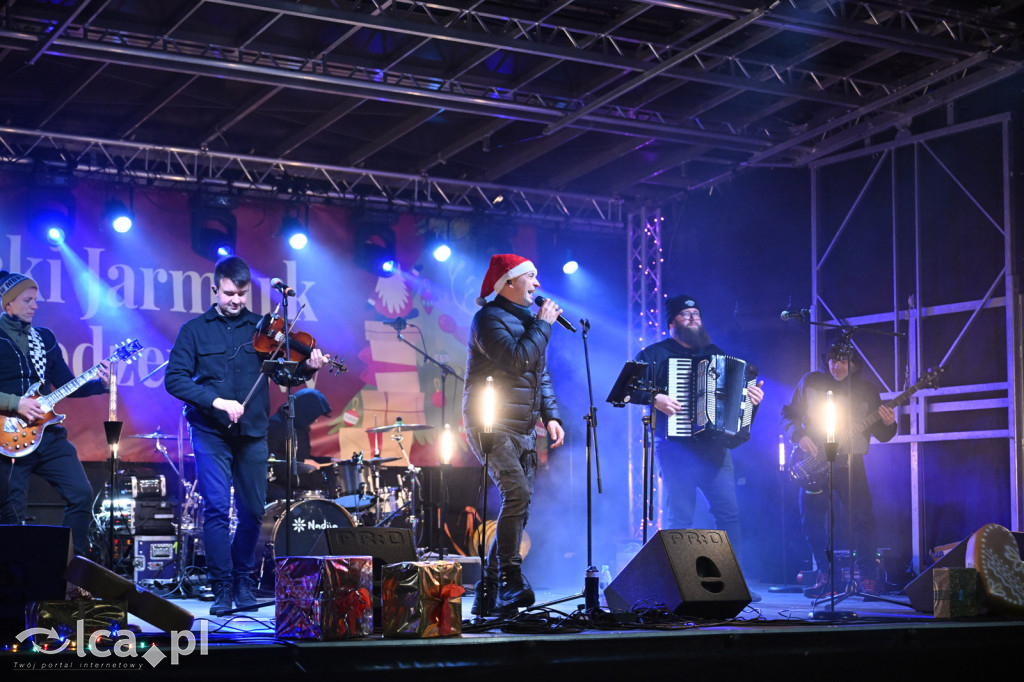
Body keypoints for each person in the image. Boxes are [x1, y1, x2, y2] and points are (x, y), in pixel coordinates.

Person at [165, 257, 328, 615]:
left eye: (241, 294)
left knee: (253, 511)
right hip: (210, 431)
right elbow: (174, 379)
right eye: (229, 294)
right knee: (217, 510)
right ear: (214, 290)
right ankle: (222, 587)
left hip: (253, 431)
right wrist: (217, 400)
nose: (236, 300)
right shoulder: (194, 331)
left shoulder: (262, 328)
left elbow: (284, 378)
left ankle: (243, 581)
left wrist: (306, 370)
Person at [631, 294, 764, 587]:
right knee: (680, 516)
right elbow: (625, 389)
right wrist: (655, 398)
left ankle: (733, 585)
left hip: (714, 450)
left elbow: (736, 413)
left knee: (728, 515)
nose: (693, 317)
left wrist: (752, 403)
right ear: (671, 322)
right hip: (676, 449)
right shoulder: (655, 354)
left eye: (697, 314)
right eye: (685, 313)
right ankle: (676, 584)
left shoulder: (717, 354)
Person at [463, 254, 565, 616]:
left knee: (520, 508)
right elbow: (517, 359)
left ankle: (487, 593)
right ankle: (509, 580)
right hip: (490, 422)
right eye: (531, 277)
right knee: (516, 493)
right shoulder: (487, 319)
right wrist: (543, 326)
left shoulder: (529, 322)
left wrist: (551, 416)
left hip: (524, 425)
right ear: (509, 282)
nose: (537, 285)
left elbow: (540, 374)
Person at [0, 270, 109, 557]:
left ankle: (72, 572)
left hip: (47, 435)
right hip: (6, 440)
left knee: (81, 494)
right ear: (7, 303)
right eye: (27, 300)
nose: (34, 305)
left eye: (35, 299)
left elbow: (65, 384)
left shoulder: (44, 338)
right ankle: (16, 587)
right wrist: (15, 403)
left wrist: (100, 385)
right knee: (11, 512)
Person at [781, 340, 896, 597]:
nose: (837, 366)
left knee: (862, 518)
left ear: (854, 363)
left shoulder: (866, 391)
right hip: (812, 462)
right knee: (811, 521)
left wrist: (889, 424)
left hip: (851, 462)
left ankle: (867, 576)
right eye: (833, 360)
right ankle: (827, 574)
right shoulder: (811, 381)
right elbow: (789, 414)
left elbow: (883, 433)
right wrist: (799, 436)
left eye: (843, 361)